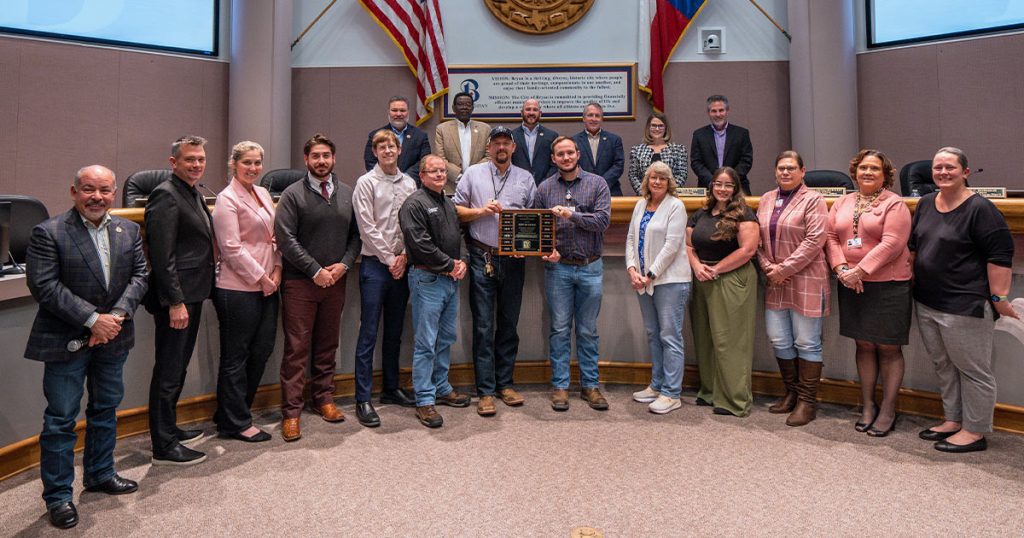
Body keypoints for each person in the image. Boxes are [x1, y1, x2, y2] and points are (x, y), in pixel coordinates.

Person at [24, 165, 147, 529]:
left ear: (114, 193)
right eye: (89, 189)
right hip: (67, 339)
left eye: (105, 190)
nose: (98, 197)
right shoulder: (49, 232)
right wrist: (95, 321)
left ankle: (99, 474)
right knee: (61, 420)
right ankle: (59, 496)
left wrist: (117, 317)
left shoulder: (130, 230)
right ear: (74, 191)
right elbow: (45, 286)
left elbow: (141, 275)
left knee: (106, 408)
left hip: (115, 337)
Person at [910, 147, 1018, 453]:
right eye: (937, 168)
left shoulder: (981, 209)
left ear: (965, 173)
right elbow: (916, 245)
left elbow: (1000, 257)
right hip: (928, 300)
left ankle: (975, 430)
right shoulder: (927, 202)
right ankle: (953, 420)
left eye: (950, 168)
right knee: (944, 365)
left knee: (973, 369)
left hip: (965, 303)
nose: (943, 172)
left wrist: (999, 298)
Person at [274, 133, 361, 441]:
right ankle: (292, 413)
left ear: (334, 159)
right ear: (306, 160)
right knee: (296, 349)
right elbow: (285, 239)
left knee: (327, 346)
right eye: (316, 156)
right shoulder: (292, 194)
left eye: (326, 155)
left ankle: (324, 399)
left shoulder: (348, 193)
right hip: (301, 282)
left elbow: (356, 237)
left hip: (336, 281)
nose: (321, 161)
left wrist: (343, 265)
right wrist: (314, 270)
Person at [825, 149, 912, 437]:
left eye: (875, 168)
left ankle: (888, 409)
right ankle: (867, 405)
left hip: (888, 284)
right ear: (855, 171)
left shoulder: (894, 204)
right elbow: (831, 237)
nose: (868, 173)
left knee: (888, 347)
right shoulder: (843, 201)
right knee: (863, 345)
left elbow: (893, 244)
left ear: (885, 175)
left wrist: (860, 271)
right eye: (863, 167)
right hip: (850, 282)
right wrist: (840, 269)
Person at [454, 126, 537, 416]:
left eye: (506, 143)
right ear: (488, 148)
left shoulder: (526, 178)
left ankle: (505, 384)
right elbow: (456, 210)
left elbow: (532, 220)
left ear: (513, 148)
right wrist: (481, 212)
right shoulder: (472, 174)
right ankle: (485, 391)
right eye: (496, 143)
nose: (501, 148)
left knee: (509, 324)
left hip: (514, 260)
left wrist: (525, 247)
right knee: (484, 325)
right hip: (482, 255)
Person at [144, 135, 215, 465]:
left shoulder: (192, 192)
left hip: (193, 292)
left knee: (178, 367)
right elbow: (162, 256)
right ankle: (163, 445)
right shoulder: (165, 195)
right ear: (174, 163)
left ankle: (169, 428)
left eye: (200, 159)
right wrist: (175, 301)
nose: (197, 164)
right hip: (177, 299)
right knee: (169, 370)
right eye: (190, 159)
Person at [210, 141, 281, 443]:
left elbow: (274, 238)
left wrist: (276, 270)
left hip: (269, 283)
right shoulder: (227, 199)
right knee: (236, 357)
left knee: (261, 350)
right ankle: (234, 422)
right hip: (237, 288)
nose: (253, 168)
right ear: (234, 165)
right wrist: (262, 278)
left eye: (257, 163)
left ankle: (233, 410)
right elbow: (230, 248)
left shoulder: (263, 193)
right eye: (247, 163)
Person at [535, 136, 612, 411]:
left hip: (591, 267)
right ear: (553, 159)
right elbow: (538, 227)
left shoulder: (597, 183)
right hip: (558, 268)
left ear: (578, 154)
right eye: (560, 154)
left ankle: (590, 386)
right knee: (559, 329)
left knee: (588, 330)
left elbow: (602, 221)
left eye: (570, 152)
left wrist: (571, 215)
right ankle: (560, 386)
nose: (566, 158)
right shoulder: (544, 188)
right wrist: (546, 248)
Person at [756, 150, 830, 427]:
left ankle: (807, 403)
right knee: (779, 339)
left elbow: (814, 240)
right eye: (781, 168)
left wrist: (782, 269)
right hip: (775, 281)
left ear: (802, 171)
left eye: (790, 168)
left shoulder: (813, 199)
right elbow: (758, 242)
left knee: (807, 342)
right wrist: (768, 268)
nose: (785, 173)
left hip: (805, 279)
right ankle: (791, 393)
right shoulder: (765, 199)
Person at [352, 130, 418, 427]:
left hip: (402, 265)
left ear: (399, 149)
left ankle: (391, 388)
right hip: (375, 266)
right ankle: (363, 398)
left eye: (392, 145)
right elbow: (367, 227)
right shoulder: (365, 184)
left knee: (394, 331)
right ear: (375, 152)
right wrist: (391, 259)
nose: (388, 150)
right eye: (382, 147)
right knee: (368, 333)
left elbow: (411, 225)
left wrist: (403, 256)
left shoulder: (410, 183)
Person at [399, 154, 471, 427]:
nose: (440, 175)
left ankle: (441, 387)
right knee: (426, 343)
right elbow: (419, 245)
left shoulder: (448, 203)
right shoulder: (414, 204)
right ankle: (425, 399)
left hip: (450, 280)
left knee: (444, 339)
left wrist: (461, 261)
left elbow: (460, 237)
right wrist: (450, 264)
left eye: (443, 171)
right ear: (422, 175)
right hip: (427, 280)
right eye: (434, 171)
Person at [686, 167, 759, 417]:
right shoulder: (701, 214)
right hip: (702, 278)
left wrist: (716, 269)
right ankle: (710, 391)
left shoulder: (744, 214)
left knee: (730, 341)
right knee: (705, 339)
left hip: (731, 279)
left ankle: (734, 400)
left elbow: (748, 250)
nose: (722, 189)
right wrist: (697, 267)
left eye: (728, 185)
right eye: (718, 184)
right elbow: (688, 245)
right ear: (712, 186)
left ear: (736, 188)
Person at [625, 161, 691, 414]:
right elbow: (631, 238)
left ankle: (672, 393)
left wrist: (649, 274)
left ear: (669, 182)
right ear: (646, 181)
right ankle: (657, 384)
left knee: (670, 336)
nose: (657, 182)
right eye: (653, 178)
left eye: (662, 178)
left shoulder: (676, 206)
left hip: (669, 281)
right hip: (643, 279)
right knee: (653, 333)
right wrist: (632, 269)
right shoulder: (641, 204)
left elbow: (672, 246)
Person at [690, 95, 753, 194]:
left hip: (737, 186)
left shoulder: (741, 134)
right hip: (708, 186)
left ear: (727, 111)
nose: (718, 114)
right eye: (714, 111)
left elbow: (746, 160)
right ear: (708, 113)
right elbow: (696, 162)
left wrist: (730, 180)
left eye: (721, 110)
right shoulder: (699, 135)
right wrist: (713, 182)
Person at [433, 91, 490, 194]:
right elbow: (440, 158)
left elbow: (489, 156)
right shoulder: (442, 129)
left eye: (468, 105)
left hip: (478, 185)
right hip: (451, 186)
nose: (464, 107)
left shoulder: (485, 129)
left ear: (472, 108)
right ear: (454, 108)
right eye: (460, 104)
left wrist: (472, 174)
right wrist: (458, 176)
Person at [363, 95, 432, 178]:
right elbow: (370, 162)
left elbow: (424, 161)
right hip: (381, 185)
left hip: (411, 184)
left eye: (402, 110)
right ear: (388, 112)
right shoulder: (375, 135)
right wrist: (387, 178)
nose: (399, 114)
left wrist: (405, 178)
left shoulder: (420, 136)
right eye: (394, 110)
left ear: (408, 112)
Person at [572, 102, 625, 196]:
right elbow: (572, 164)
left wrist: (601, 183)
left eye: (597, 116)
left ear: (602, 119)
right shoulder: (573, 141)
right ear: (584, 118)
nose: (594, 119)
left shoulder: (614, 140)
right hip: (582, 190)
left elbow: (618, 165)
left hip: (610, 190)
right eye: (590, 115)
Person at [628, 113, 688, 194]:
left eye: (660, 126)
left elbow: (681, 175)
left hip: (670, 197)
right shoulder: (637, 150)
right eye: (653, 125)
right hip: (644, 197)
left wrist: (668, 192)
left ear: (666, 128)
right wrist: (644, 193)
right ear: (648, 128)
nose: (657, 129)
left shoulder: (678, 150)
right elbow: (633, 176)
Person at [511, 98, 558, 185]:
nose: (531, 113)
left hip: (545, 187)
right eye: (528, 109)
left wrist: (545, 183)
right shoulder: (511, 136)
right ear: (521, 112)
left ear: (540, 113)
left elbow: (555, 164)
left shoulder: (552, 136)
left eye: (535, 110)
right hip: (517, 185)